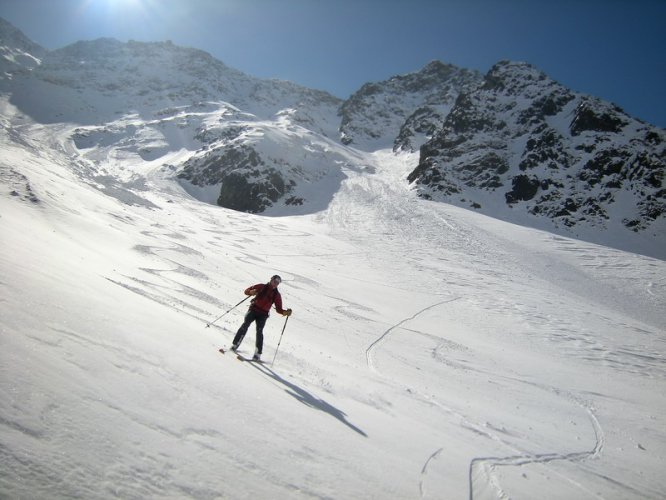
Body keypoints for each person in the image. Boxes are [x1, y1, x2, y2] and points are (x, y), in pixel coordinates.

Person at [231, 275, 292, 361]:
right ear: (271, 280)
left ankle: (257, 354)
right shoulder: (261, 286)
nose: (275, 284)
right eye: (275, 281)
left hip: (263, 315)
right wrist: (251, 292)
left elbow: (278, 309)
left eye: (278, 283)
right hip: (253, 310)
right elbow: (246, 291)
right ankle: (235, 345)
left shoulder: (276, 295)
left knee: (259, 332)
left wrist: (285, 312)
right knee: (245, 325)